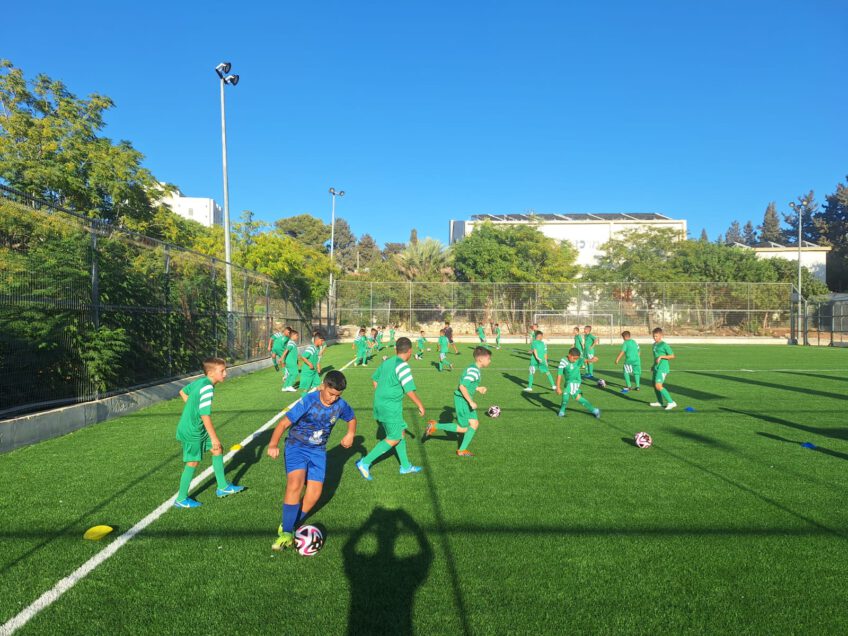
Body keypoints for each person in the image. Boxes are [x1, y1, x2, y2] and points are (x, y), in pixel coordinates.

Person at [267, 370, 357, 550]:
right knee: (296, 483)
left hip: (318, 451)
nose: (333, 399)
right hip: (296, 447)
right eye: (331, 394)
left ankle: (292, 524)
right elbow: (284, 423)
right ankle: (285, 533)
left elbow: (351, 417)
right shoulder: (309, 401)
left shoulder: (340, 405)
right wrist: (273, 444)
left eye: (337, 396)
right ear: (323, 386)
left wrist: (351, 434)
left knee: (315, 492)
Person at [173, 358, 244, 508]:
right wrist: (214, 437)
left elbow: (182, 391)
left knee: (217, 450)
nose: (225, 373)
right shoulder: (207, 388)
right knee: (193, 461)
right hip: (192, 430)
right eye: (222, 371)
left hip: (197, 427)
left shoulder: (201, 382)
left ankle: (222, 487)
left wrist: (192, 409)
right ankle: (180, 499)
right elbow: (205, 416)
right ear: (211, 372)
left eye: (225, 370)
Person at [356, 338, 425, 479]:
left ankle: (405, 466)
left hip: (381, 403)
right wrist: (420, 405)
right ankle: (364, 462)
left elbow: (374, 378)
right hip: (390, 406)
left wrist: (381, 394)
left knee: (401, 432)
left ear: (395, 350)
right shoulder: (403, 366)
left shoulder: (387, 362)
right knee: (394, 438)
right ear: (410, 351)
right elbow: (409, 389)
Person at [425, 346, 491, 457]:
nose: (490, 361)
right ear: (480, 359)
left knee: (474, 424)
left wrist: (478, 388)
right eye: (488, 358)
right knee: (465, 428)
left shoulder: (473, 368)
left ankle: (462, 450)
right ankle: (436, 426)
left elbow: (468, 385)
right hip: (463, 400)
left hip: (464, 399)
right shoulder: (474, 371)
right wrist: (470, 402)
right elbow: (462, 386)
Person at [556, 348, 601, 419]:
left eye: (577, 359)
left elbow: (585, 360)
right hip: (568, 382)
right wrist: (558, 387)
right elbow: (559, 374)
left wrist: (592, 359)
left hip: (576, 381)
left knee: (565, 392)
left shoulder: (578, 360)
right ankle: (594, 410)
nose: (575, 360)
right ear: (569, 355)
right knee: (578, 398)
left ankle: (561, 412)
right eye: (574, 358)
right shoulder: (563, 361)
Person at [650, 327, 677, 410]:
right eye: (654, 336)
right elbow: (656, 357)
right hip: (656, 367)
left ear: (661, 336)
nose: (655, 338)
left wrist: (662, 356)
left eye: (656, 336)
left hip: (663, 368)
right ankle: (660, 402)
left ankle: (671, 402)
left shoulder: (664, 345)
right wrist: (653, 365)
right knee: (655, 386)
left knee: (658, 386)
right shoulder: (654, 345)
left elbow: (672, 356)